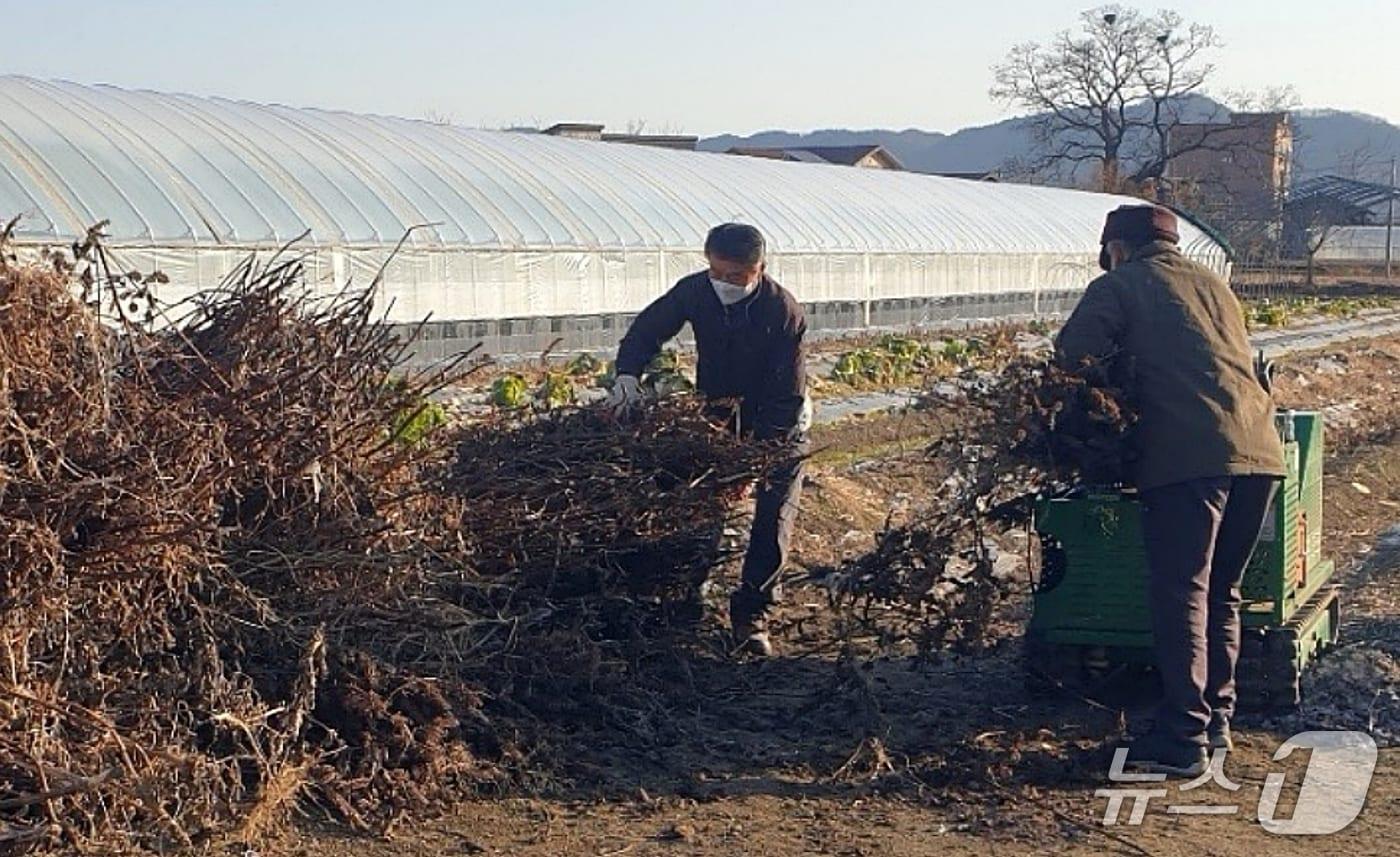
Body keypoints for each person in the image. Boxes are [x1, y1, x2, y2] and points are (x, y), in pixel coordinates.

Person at [1055, 205, 1286, 777]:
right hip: (1259, 451)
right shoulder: (1215, 285)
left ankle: (1182, 738)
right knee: (1221, 592)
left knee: (1182, 590)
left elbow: (1071, 358)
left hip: (1190, 458)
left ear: (1118, 247)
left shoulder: (1120, 283)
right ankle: (1217, 724)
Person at [605, 223, 809, 656]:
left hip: (780, 425)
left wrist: (757, 460)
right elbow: (646, 331)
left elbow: (786, 394)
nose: (725, 284)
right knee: (701, 506)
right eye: (718, 273)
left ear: (760, 269)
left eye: (737, 277)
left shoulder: (782, 311)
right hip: (718, 417)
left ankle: (751, 616)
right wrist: (627, 374)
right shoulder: (695, 292)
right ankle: (686, 599)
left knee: (771, 519)